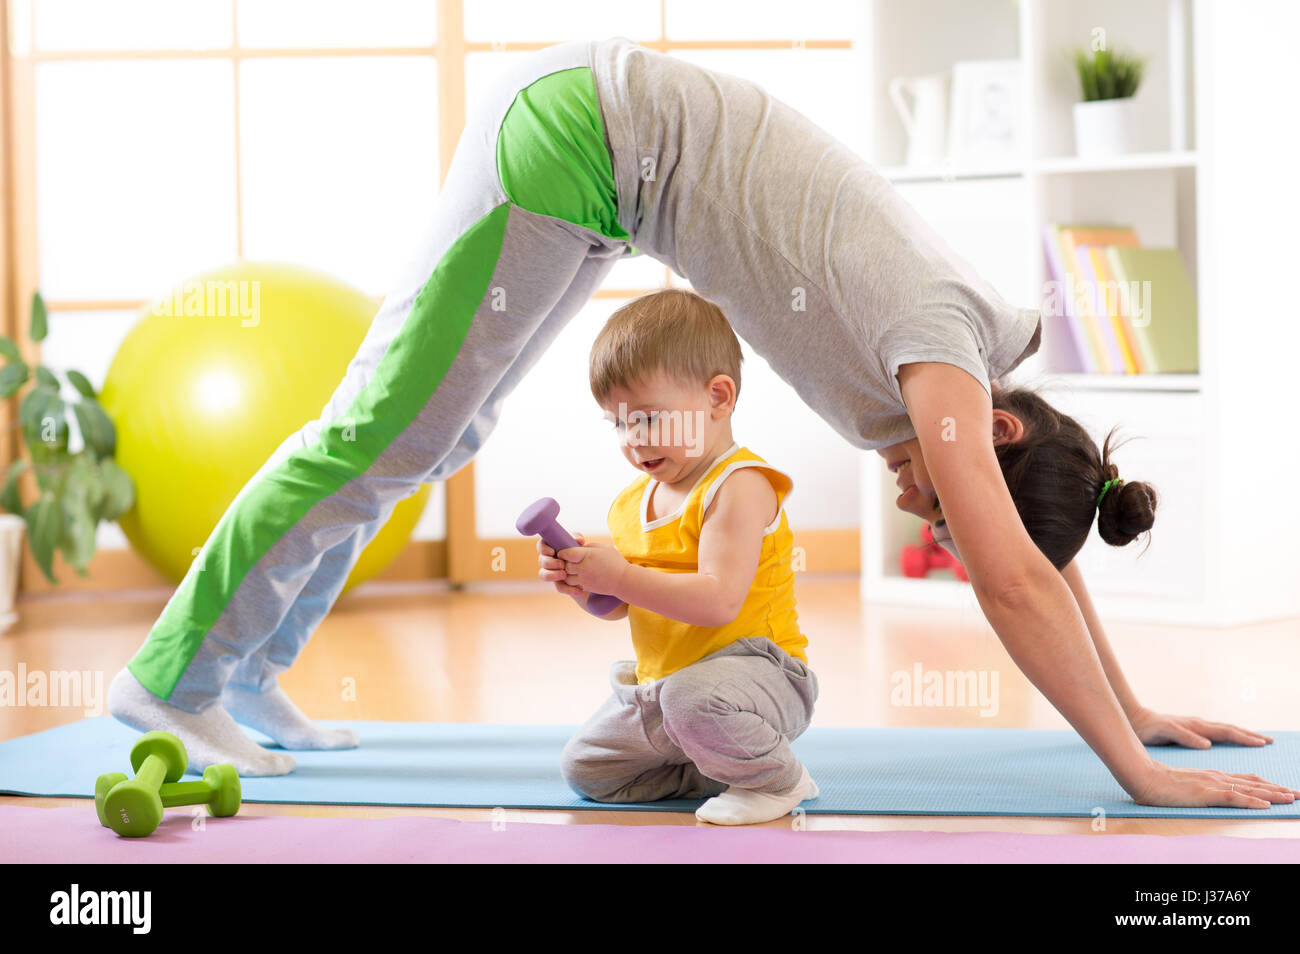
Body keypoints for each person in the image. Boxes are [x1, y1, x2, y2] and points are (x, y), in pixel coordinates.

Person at [107, 37, 1298, 811]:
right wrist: (1131, 772)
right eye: (939, 499)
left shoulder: (971, 392)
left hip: (604, 171)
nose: (912, 505)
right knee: (386, 430)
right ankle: (173, 677)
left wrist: (1138, 707)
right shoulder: (941, 359)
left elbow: (1027, 558)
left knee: (439, 437)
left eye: (926, 512)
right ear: (995, 437)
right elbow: (1011, 579)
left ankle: (247, 670)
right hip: (578, 137)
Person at [539, 289, 817, 826]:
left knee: (693, 701)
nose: (632, 439)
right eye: (618, 423)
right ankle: (717, 761)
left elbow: (717, 601)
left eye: (647, 417)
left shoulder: (740, 485)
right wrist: (589, 588)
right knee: (589, 769)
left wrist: (620, 575)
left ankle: (779, 779)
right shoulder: (631, 503)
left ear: (718, 397)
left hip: (760, 677)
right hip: (668, 690)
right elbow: (628, 605)